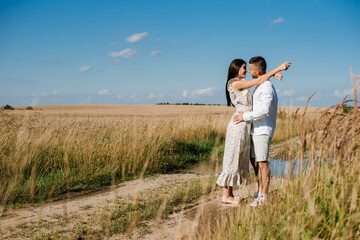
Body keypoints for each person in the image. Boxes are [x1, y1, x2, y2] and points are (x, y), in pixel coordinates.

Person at [217, 58, 291, 205]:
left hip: (247, 124)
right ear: (236, 69)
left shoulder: (243, 83)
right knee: (232, 158)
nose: (247, 70)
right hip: (239, 124)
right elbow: (258, 81)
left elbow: (260, 79)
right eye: (244, 68)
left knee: (241, 158)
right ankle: (226, 195)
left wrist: (270, 75)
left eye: (248, 68)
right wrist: (277, 69)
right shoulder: (234, 82)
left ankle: (258, 192)